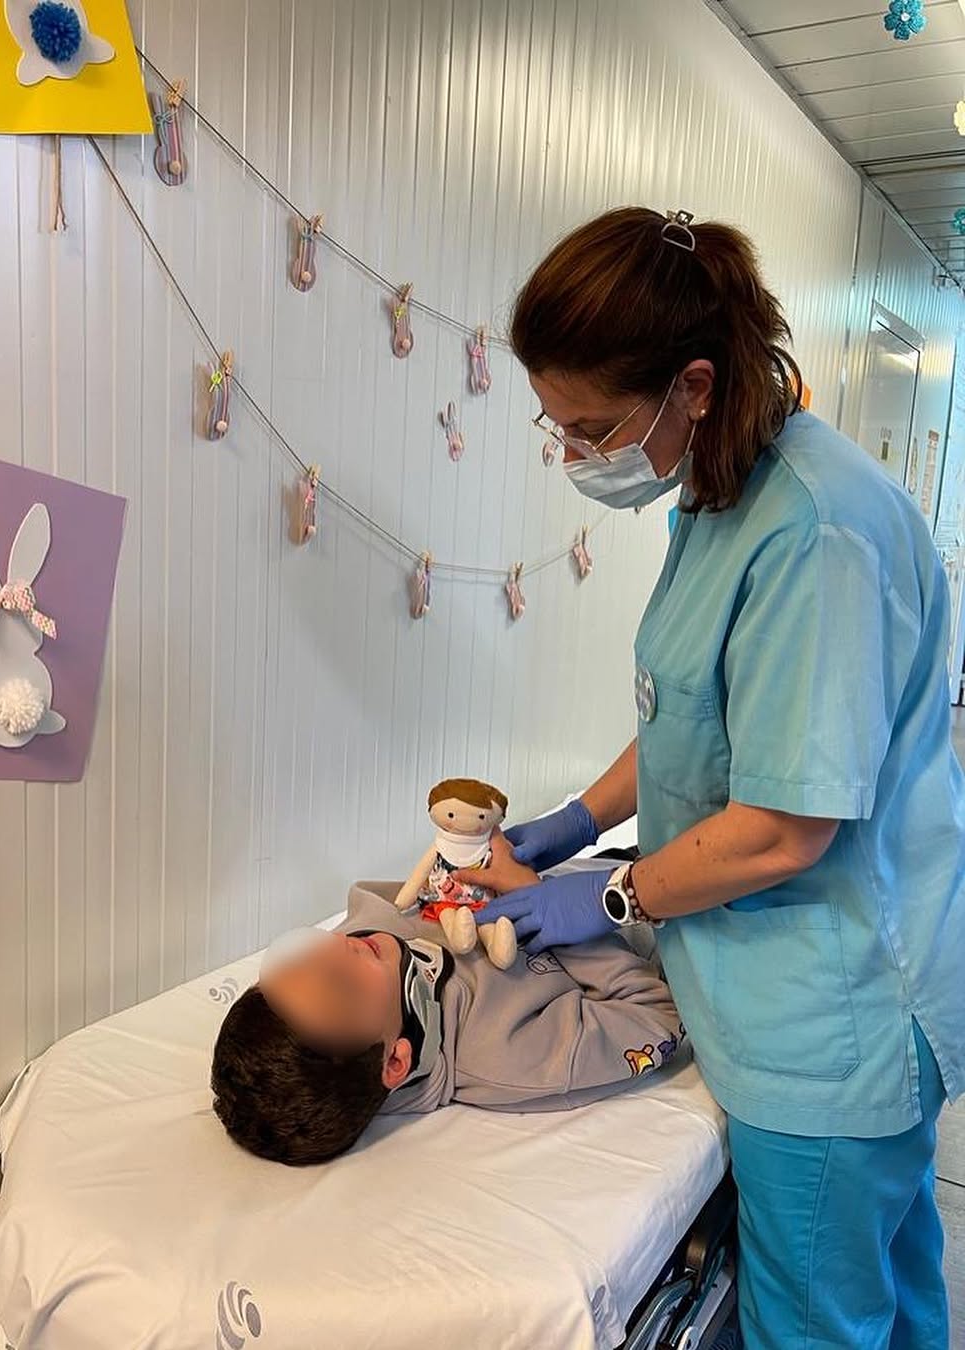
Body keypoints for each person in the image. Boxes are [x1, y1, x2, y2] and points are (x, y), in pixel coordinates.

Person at [457, 207, 965, 1350]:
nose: (574, 456)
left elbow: (784, 827)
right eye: (557, 429)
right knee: (891, 1291)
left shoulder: (814, 533)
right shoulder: (719, 486)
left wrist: (612, 891)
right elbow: (695, 716)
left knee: (822, 1321)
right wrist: (570, 824)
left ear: (692, 386)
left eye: (591, 429)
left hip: (835, 1015)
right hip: (805, 975)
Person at [210, 873, 682, 1165]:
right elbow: (658, 1017)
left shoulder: (365, 943)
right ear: (396, 1061)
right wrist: (561, 909)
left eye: (299, 962)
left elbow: (395, 894)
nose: (336, 944)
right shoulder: (506, 1054)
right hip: (654, 906)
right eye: (342, 982)